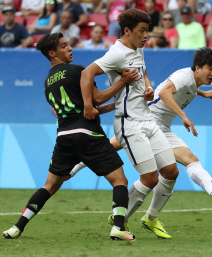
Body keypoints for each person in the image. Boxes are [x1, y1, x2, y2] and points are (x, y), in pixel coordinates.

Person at [2, 32, 139, 241]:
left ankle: (17, 227)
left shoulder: (47, 83)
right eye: (64, 46)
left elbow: (80, 108)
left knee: (49, 186)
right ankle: (118, 227)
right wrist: (123, 80)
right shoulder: (78, 71)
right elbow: (97, 98)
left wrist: (115, 106)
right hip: (87, 133)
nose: (70, 48)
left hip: (64, 136)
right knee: (119, 180)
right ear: (52, 53)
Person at [69, 48, 212, 206]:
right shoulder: (183, 76)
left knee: (188, 160)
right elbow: (164, 92)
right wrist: (184, 116)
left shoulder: (192, 80)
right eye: (210, 69)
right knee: (114, 150)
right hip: (146, 120)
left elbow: (188, 87)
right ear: (197, 67)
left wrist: (203, 93)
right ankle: (76, 166)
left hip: (161, 126)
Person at [80, 8, 180, 240]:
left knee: (171, 171)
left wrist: (147, 86)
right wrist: (88, 105)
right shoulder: (116, 54)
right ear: (127, 31)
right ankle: (119, 223)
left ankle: (135, 217)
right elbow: (87, 74)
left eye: (147, 30)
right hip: (129, 123)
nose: (146, 36)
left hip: (147, 119)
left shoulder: (138, 48)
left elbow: (142, 70)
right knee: (150, 178)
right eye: (142, 31)